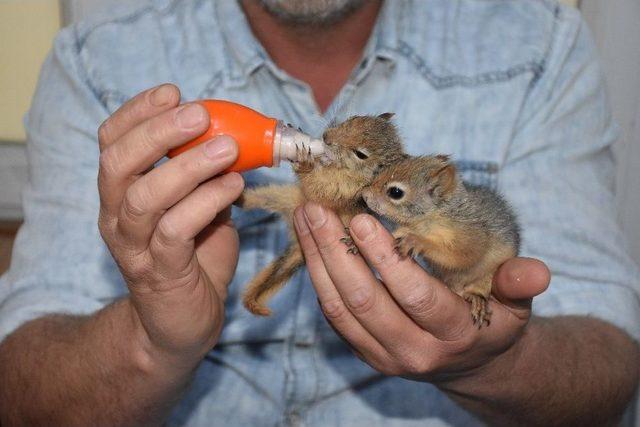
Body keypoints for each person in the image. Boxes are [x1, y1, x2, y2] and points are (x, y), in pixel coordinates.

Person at [0, 0, 638, 425]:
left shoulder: (540, 45)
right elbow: (20, 390)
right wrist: (151, 339)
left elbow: (612, 362)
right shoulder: (95, 59)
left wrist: (499, 364)